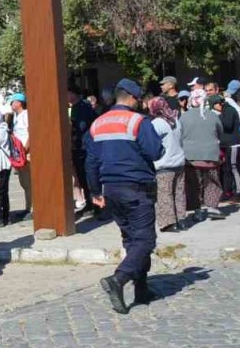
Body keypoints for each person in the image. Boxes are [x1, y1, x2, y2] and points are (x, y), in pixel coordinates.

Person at [85, 78, 164, 315]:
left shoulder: (97, 124)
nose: (140, 103)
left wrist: (95, 192)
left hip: (111, 189)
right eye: (139, 99)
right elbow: (155, 151)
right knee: (145, 240)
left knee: (131, 239)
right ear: (131, 97)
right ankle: (117, 280)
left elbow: (91, 162)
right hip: (137, 187)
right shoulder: (138, 121)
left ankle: (141, 288)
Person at [178, 82, 224, 221]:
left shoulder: (184, 117)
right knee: (212, 182)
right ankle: (213, 208)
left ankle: (197, 210)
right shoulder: (213, 115)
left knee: (193, 185)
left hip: (191, 157)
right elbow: (219, 132)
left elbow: (180, 135)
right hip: (211, 155)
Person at [147, 97, 186, 232]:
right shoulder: (175, 120)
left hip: (165, 164)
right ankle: (181, 220)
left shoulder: (157, 123)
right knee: (179, 193)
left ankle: (169, 223)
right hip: (179, 162)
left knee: (165, 195)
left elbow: (151, 143)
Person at [8, 93, 32, 220]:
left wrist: (25, 149)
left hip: (26, 154)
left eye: (12, 102)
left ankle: (32, 208)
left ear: (19, 102)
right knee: (23, 182)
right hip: (19, 155)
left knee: (29, 181)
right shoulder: (16, 117)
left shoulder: (26, 115)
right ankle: (28, 207)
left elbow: (31, 133)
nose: (11, 104)